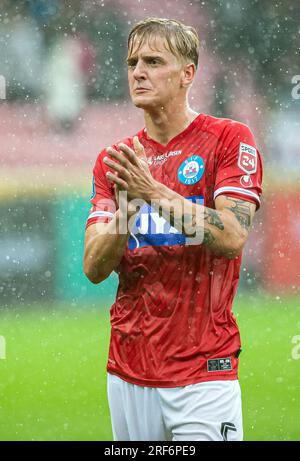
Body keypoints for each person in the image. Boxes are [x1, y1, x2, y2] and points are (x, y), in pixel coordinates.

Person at [83, 18, 263, 441]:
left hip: (204, 370)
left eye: (152, 61)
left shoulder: (228, 139)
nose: (138, 71)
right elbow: (93, 267)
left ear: (188, 74)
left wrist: (152, 191)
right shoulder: (117, 160)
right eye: (132, 62)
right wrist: (127, 211)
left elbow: (232, 236)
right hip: (127, 370)